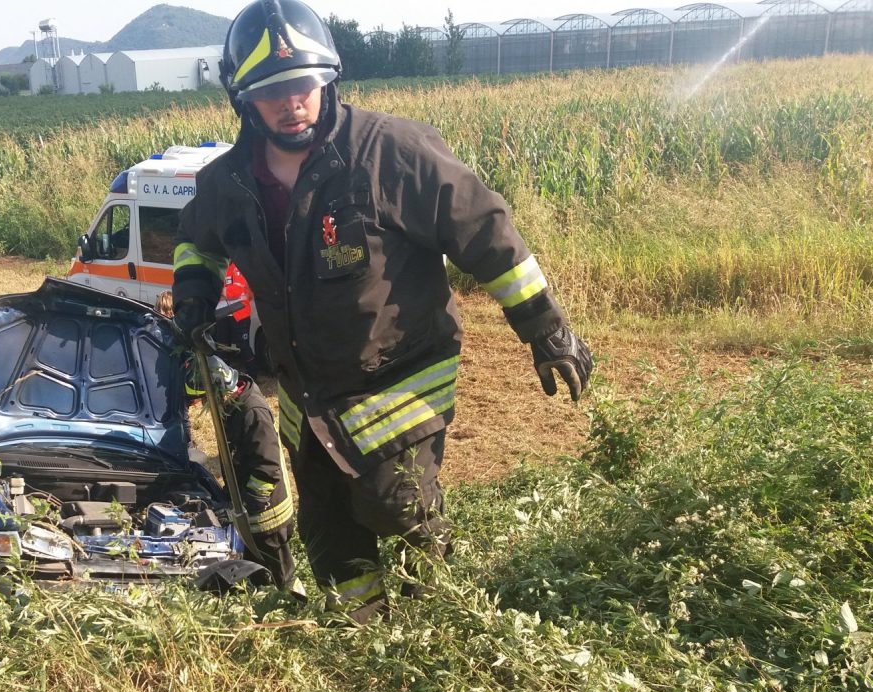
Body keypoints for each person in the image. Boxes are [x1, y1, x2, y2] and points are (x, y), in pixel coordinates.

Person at [170, 0, 593, 623]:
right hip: (307, 398)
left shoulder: (392, 152)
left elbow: (487, 233)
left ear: (328, 80)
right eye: (275, 91)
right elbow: (195, 242)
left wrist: (545, 328)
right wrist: (194, 296)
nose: (294, 103)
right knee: (330, 535)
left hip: (397, 387)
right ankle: (362, 641)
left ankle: (436, 635)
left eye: (305, 86)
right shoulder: (226, 182)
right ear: (244, 100)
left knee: (401, 511)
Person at [156, 290, 301, 595]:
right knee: (254, 574)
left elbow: (268, 467)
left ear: (223, 390)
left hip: (269, 516)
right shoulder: (232, 406)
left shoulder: (252, 410)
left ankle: (293, 607)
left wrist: (250, 503)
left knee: (279, 576)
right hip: (250, 515)